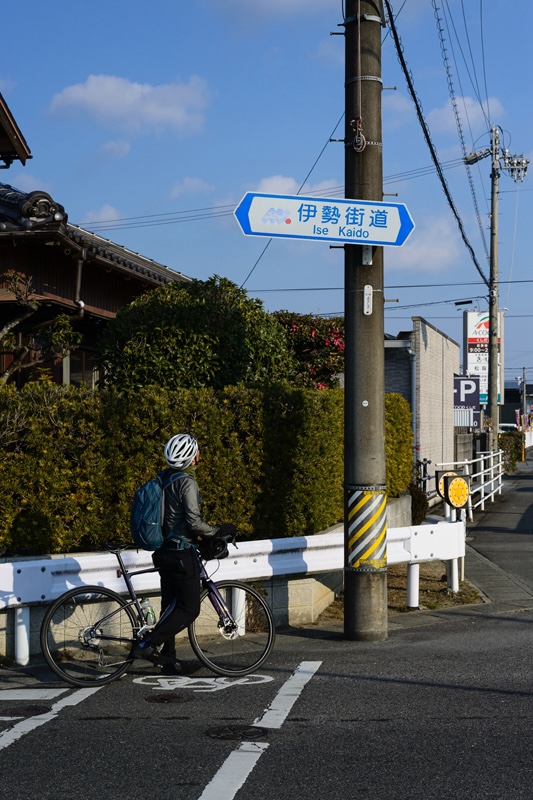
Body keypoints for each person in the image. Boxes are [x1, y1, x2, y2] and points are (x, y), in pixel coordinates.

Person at [132, 433, 235, 675]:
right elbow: (194, 522)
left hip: (162, 552)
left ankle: (169, 661)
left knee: (170, 606)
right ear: (193, 457)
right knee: (189, 609)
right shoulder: (187, 483)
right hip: (181, 554)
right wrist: (219, 531)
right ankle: (147, 644)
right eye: (198, 451)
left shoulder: (163, 478)